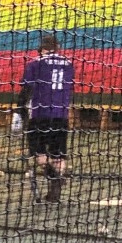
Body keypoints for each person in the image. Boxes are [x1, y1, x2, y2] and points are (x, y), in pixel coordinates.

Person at [13, 34, 74, 204]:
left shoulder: (36, 63)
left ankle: (54, 178)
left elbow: (27, 89)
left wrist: (19, 111)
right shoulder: (69, 65)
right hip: (61, 115)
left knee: (38, 152)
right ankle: (55, 192)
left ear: (43, 49)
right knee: (58, 154)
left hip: (40, 115)